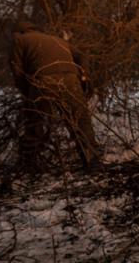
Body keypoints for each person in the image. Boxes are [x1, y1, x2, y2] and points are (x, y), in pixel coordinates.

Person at [10, 22, 101, 172]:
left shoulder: (19, 39)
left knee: (35, 121)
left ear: (20, 31)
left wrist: (28, 93)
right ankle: (93, 161)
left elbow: (16, 69)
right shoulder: (57, 39)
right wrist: (84, 76)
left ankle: (27, 164)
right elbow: (81, 55)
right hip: (71, 79)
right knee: (80, 120)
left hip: (43, 80)